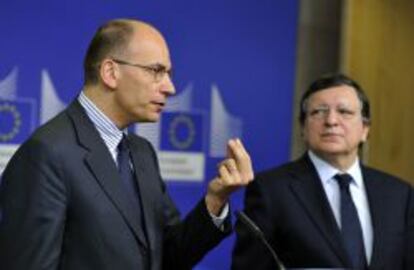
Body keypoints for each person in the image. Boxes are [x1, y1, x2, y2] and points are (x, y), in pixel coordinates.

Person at [0, 18, 254, 270]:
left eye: (168, 73)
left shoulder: (142, 152)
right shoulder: (46, 153)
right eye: (156, 71)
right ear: (111, 72)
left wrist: (215, 200)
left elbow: (169, 256)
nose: (170, 87)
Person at [232, 73, 414, 269]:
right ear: (303, 127)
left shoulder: (399, 194)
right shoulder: (271, 189)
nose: (331, 121)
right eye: (319, 112)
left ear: (365, 129)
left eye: (344, 112)